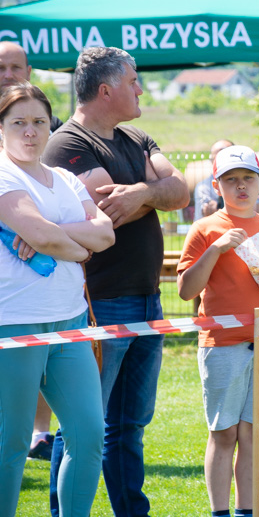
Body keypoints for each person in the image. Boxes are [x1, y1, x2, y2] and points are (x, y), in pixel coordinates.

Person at [43, 46, 189, 517]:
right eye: (133, 81)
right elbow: (108, 210)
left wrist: (145, 192)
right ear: (105, 90)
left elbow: (180, 190)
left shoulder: (136, 136)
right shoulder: (67, 144)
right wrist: (156, 193)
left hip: (148, 301)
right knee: (82, 425)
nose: (141, 88)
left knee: (129, 425)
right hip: (100, 302)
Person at [0, 84, 114, 517]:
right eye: (18, 123)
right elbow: (62, 238)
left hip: (71, 322)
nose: (30, 132)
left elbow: (105, 235)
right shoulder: (3, 175)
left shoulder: (66, 178)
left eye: (39, 122)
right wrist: (64, 239)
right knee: (10, 444)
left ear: (51, 125)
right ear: (1, 129)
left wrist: (48, 235)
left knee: (88, 436)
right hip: (14, 324)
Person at [177, 146, 259, 517]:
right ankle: (220, 512)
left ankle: (248, 510)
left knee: (253, 436)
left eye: (248, 179)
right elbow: (185, 290)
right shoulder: (205, 229)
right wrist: (214, 250)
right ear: (217, 185)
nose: (241, 186)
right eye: (231, 180)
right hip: (223, 344)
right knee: (223, 433)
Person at [0, 41, 64, 460]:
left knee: (37, 366)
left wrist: (41, 228)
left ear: (28, 69)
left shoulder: (39, 123)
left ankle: (40, 435)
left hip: (36, 285)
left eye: (15, 66)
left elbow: (58, 193)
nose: (7, 73)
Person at [194, 139, 234, 221]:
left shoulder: (246, 182)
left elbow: (256, 209)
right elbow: (207, 214)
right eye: (217, 154)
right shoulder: (203, 186)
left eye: (226, 151)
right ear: (212, 160)